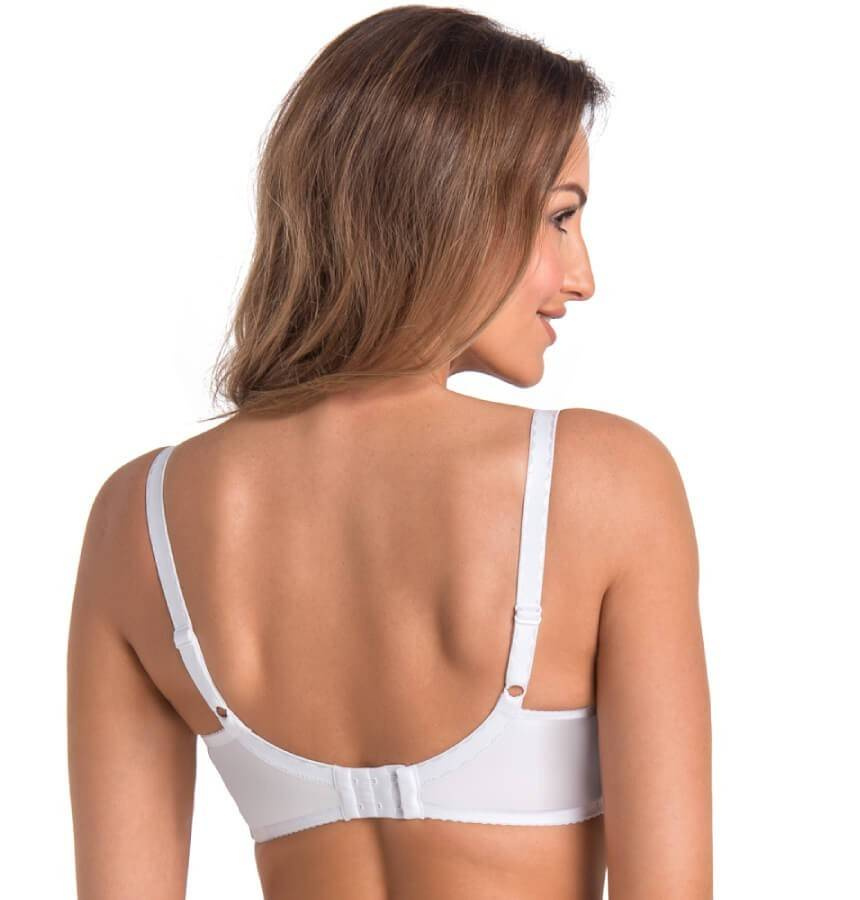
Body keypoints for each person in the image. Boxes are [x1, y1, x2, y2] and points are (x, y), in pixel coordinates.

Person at [68, 5, 712, 898]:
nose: (583, 276)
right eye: (560, 218)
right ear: (452, 201)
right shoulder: (605, 483)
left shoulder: (136, 523)